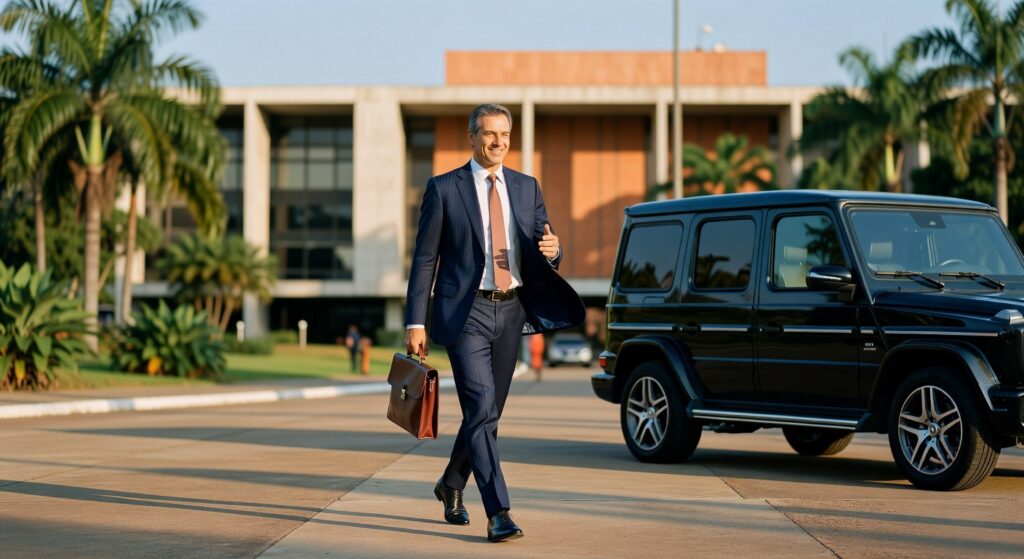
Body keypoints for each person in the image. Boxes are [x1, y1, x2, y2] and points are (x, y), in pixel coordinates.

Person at [405, 104, 585, 542]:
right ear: (472, 137)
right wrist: (415, 321)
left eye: (504, 133)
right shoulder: (444, 189)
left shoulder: (526, 187)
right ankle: (498, 511)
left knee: (489, 412)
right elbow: (425, 259)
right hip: (466, 312)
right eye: (489, 134)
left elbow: (545, 247)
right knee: (481, 408)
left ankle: (450, 483)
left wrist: (554, 250)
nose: (498, 141)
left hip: (512, 309)